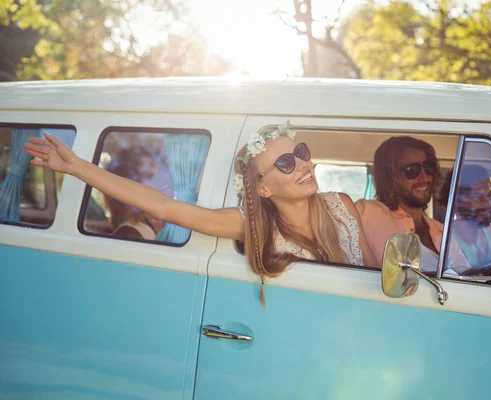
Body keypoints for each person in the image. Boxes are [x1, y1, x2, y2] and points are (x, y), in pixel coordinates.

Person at [24, 121, 378, 305]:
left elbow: (377, 277)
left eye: (300, 151)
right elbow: (164, 207)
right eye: (286, 162)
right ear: (264, 188)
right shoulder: (250, 225)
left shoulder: (341, 205)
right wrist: (78, 168)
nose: (303, 163)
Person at [356, 136, 470, 274]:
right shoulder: (366, 213)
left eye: (428, 168)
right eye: (412, 170)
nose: (424, 177)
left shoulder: (441, 230)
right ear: (390, 176)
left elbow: (466, 276)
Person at [438, 164, 491, 269]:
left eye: (489, 195)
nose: (488, 203)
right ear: (455, 201)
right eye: (477, 196)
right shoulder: (443, 239)